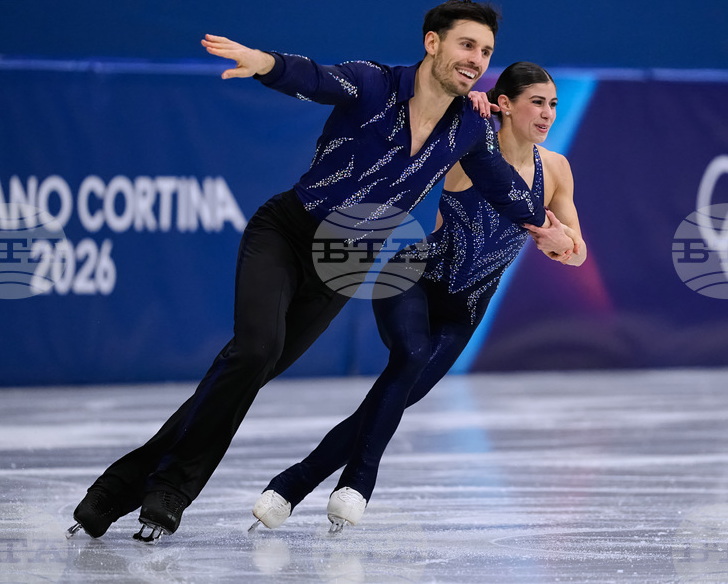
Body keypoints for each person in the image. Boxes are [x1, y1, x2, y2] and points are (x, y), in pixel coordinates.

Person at [68, 1, 575, 541]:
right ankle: (169, 490)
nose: (476, 59)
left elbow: (504, 187)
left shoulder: (466, 131)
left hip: (344, 262)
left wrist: (549, 228)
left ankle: (118, 489)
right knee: (254, 350)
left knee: (246, 372)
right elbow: (315, 77)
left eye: (486, 51)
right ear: (433, 43)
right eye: (466, 45)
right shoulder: (375, 85)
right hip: (287, 233)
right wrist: (264, 62)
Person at [249, 62, 586, 532]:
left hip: (465, 308)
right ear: (504, 104)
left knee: (393, 398)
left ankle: (292, 483)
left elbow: (577, 251)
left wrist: (561, 245)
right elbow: (425, 131)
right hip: (413, 277)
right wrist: (465, 110)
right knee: (410, 355)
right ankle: (358, 484)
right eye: (537, 102)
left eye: (553, 104)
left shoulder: (555, 169)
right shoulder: (468, 149)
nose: (548, 113)